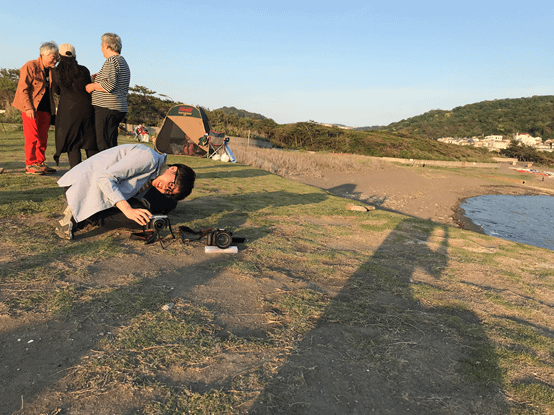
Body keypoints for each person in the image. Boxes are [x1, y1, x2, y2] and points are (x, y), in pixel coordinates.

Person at [55, 144, 195, 240]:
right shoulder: (149, 158)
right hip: (82, 187)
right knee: (141, 220)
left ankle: (80, 209)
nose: (164, 189)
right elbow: (105, 178)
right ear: (173, 169)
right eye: (170, 185)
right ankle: (80, 216)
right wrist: (128, 209)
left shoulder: (153, 170)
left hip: (93, 189)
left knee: (145, 216)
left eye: (168, 191)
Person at [12, 41, 59, 175]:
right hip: (31, 108)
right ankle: (30, 163)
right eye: (53, 57)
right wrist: (28, 107)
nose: (55, 60)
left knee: (43, 138)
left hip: (46, 108)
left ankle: (40, 162)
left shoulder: (52, 71)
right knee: (31, 136)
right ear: (44, 54)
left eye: (56, 57)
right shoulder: (30, 66)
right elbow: (23, 88)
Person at [51, 43, 97, 168]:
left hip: (68, 111)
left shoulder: (56, 72)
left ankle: (76, 177)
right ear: (74, 55)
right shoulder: (84, 70)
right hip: (86, 108)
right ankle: (95, 172)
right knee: (90, 142)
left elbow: (56, 91)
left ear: (59, 56)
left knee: (73, 145)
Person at [86, 33, 130, 151]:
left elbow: (109, 85)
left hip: (107, 107)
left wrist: (93, 86)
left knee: (103, 143)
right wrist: (100, 77)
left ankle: (106, 168)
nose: (101, 49)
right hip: (118, 107)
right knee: (111, 142)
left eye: (101, 46)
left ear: (106, 45)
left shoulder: (111, 61)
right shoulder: (122, 61)